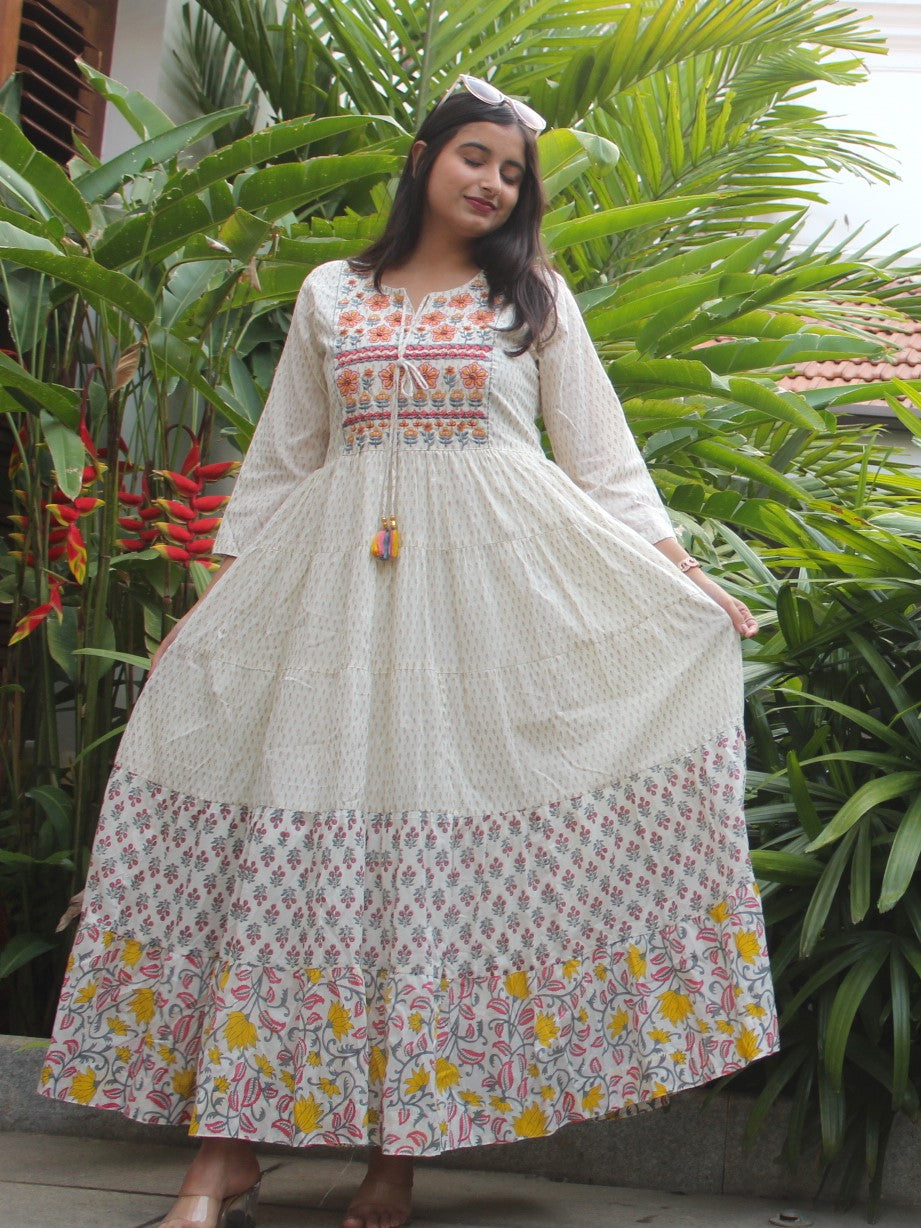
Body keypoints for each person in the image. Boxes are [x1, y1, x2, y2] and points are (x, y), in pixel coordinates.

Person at [40, 77, 777, 1228]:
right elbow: (287, 457)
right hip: (331, 605)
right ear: (426, 156)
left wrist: (682, 578)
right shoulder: (332, 293)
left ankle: (399, 1156)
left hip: (482, 620)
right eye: (474, 157)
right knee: (284, 852)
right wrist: (217, 598)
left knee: (428, 871)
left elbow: (602, 461)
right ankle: (222, 1152)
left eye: (512, 172)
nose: (492, 182)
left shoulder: (532, 299)